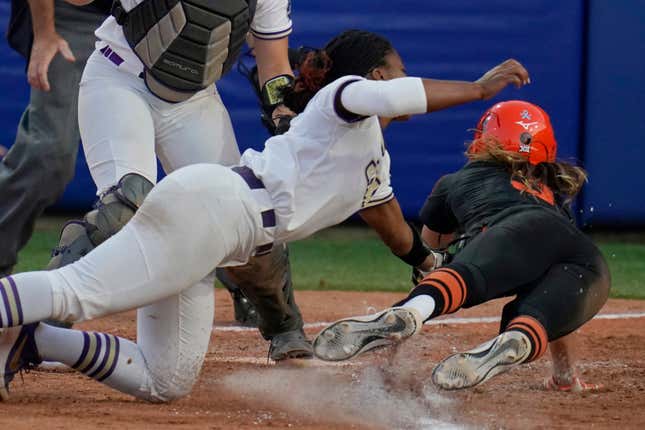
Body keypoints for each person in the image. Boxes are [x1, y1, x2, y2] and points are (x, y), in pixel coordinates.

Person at [0, 29, 528, 402]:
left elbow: (390, 222)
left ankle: (35, 340)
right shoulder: (343, 98)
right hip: (215, 210)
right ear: (373, 74)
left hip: (219, 233)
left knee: (167, 380)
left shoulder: (372, 155)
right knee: (73, 292)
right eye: (398, 69)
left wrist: (426, 259)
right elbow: (389, 92)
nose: (404, 78)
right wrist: (479, 90)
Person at [46, 0, 309, 360]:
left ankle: (283, 325)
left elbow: (274, 64)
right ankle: (36, 324)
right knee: (125, 209)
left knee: (245, 216)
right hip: (119, 80)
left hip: (195, 100)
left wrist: (283, 111)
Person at [312, 100, 610, 392]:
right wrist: (565, 376)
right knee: (540, 312)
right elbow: (558, 293)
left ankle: (414, 312)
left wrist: (396, 346)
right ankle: (528, 343)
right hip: (586, 260)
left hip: (508, 232)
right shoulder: (550, 196)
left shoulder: (455, 181)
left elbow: (426, 265)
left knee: (459, 279)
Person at [0, 0, 110, 277]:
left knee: (191, 161)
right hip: (72, 16)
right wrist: (45, 32)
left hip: (150, 22)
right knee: (49, 155)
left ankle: (235, 275)